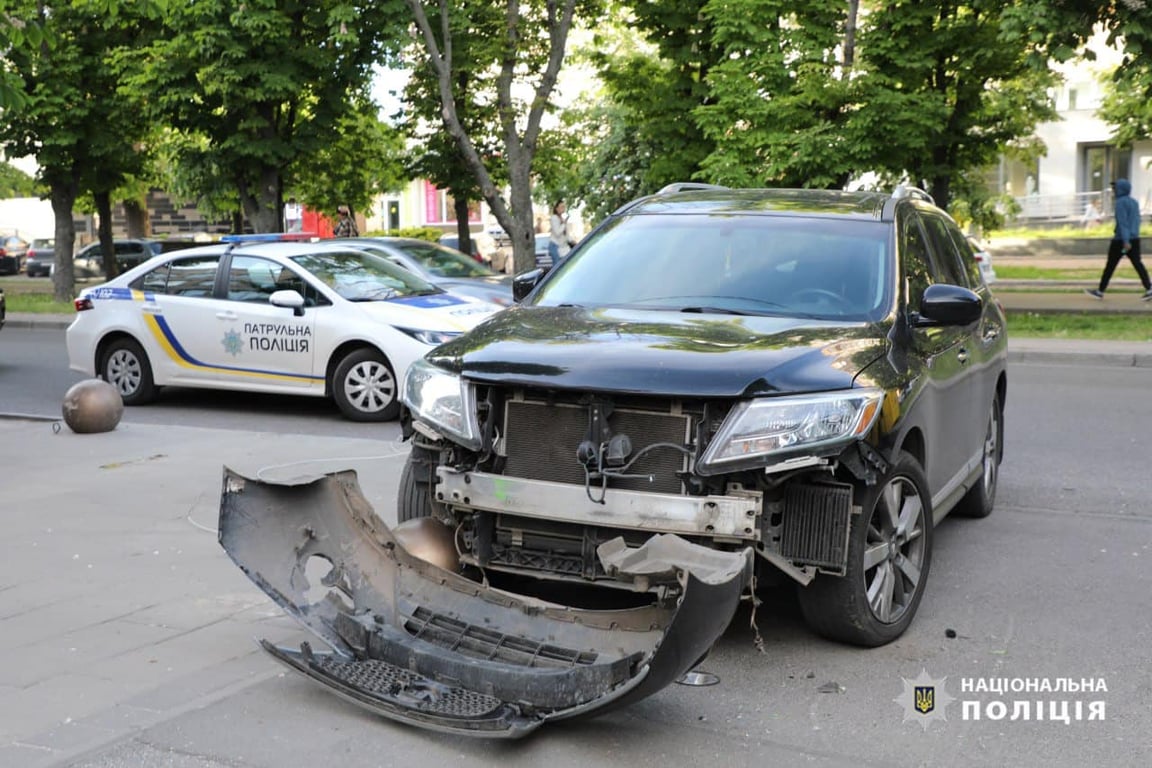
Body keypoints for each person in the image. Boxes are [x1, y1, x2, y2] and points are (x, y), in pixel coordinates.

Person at [1085, 178, 1152, 300]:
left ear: (1121, 189)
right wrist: (1132, 237)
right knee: (1138, 264)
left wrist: (1125, 241)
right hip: (1134, 239)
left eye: (1115, 188)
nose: (1114, 191)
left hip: (1121, 241)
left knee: (1111, 265)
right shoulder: (1134, 202)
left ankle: (1100, 291)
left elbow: (1123, 222)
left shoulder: (1120, 203)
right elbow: (1136, 221)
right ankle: (1149, 288)